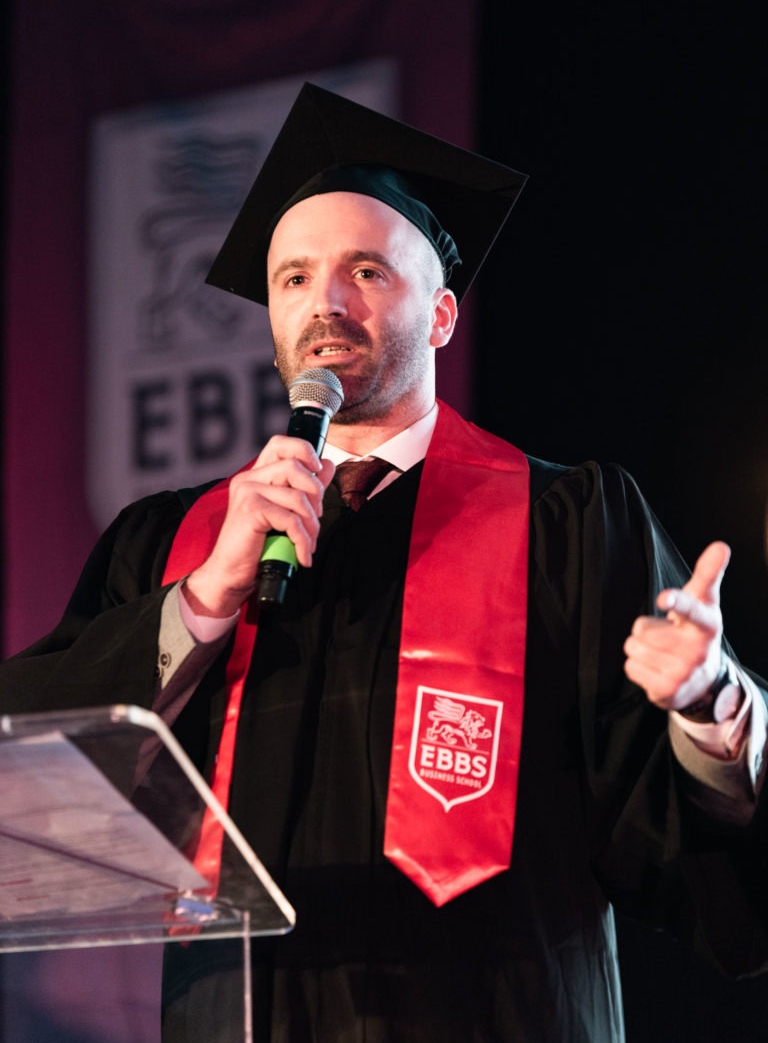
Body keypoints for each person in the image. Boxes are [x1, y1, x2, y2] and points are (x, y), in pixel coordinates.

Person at [2, 83, 768, 1043]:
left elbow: (679, 849)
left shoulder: (566, 522)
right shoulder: (172, 543)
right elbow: (31, 773)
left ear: (443, 315)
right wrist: (199, 604)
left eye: (366, 270)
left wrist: (712, 709)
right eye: (292, 278)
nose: (324, 301)